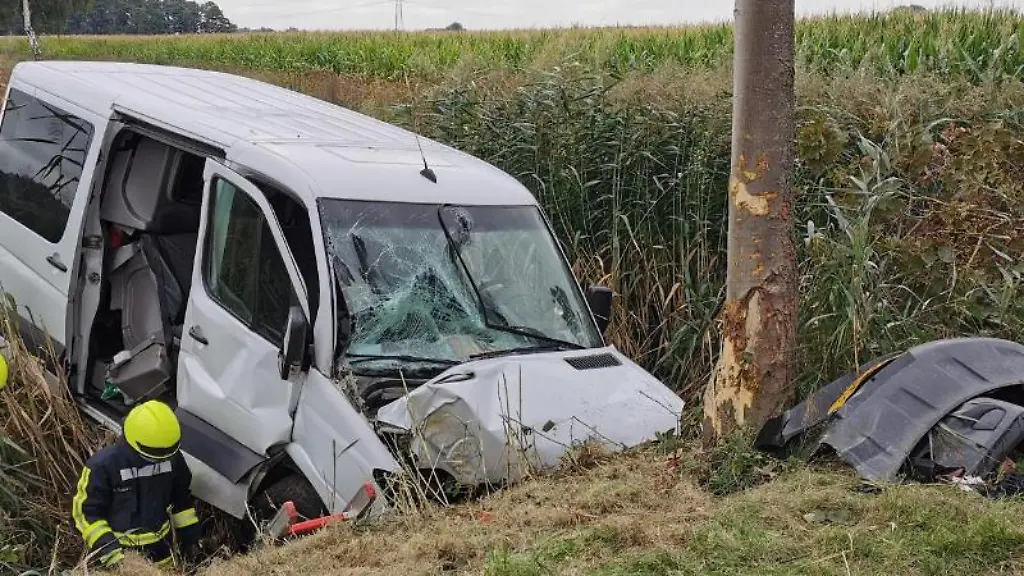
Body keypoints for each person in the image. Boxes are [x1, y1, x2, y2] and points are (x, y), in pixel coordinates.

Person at [72, 400, 202, 570]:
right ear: (133, 444)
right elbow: (85, 513)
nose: (161, 461)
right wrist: (110, 553)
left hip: (162, 555)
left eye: (166, 456)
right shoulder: (103, 466)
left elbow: (182, 503)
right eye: (154, 456)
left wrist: (190, 540)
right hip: (117, 558)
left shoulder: (173, 459)